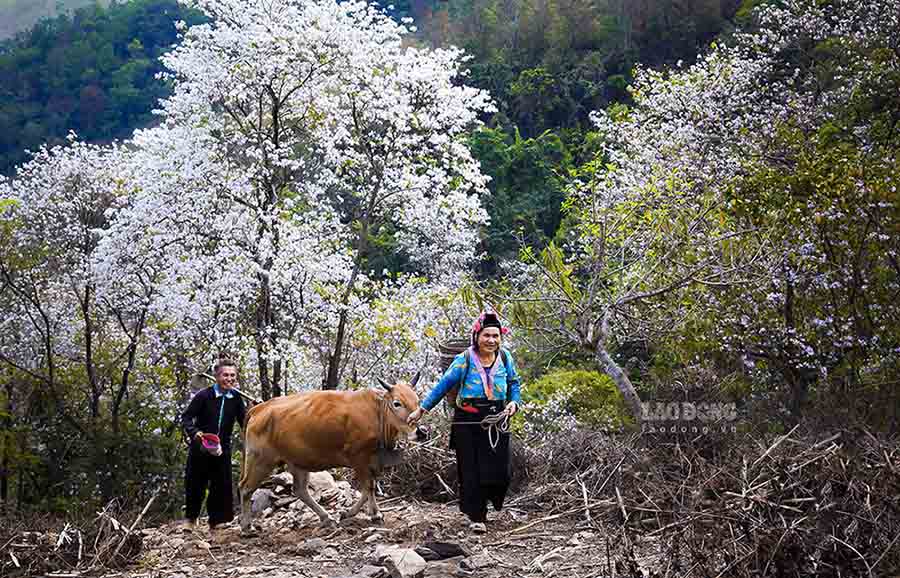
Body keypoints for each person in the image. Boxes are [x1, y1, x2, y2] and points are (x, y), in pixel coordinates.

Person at [408, 309, 521, 532]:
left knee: (500, 470)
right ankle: (477, 516)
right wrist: (422, 409)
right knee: (471, 470)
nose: (491, 340)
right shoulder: (465, 359)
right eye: (486, 335)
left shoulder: (505, 357)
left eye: (495, 336)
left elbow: (514, 383)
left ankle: (489, 503)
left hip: (496, 418)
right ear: (476, 336)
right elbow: (444, 385)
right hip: (467, 419)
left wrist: (514, 402)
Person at [181, 358, 247, 531]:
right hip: (201, 446)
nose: (230, 379)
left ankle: (217, 521)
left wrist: (256, 411)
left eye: (233, 375)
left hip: (222, 448)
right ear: (217, 376)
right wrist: (194, 433)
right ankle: (191, 519)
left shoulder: (236, 398)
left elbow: (245, 422)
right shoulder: (204, 396)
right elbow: (187, 417)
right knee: (195, 483)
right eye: (225, 375)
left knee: (221, 484)